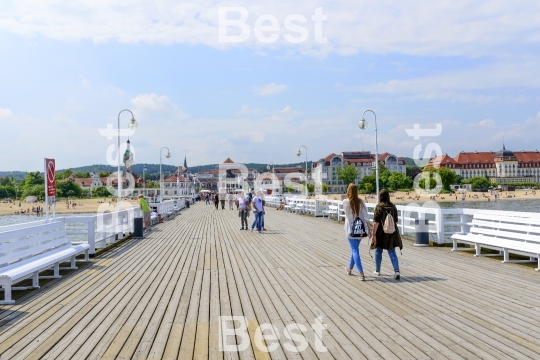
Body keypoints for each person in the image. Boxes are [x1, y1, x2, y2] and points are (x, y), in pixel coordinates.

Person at [371, 189, 403, 280]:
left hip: (381, 233)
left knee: (378, 251)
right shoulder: (393, 206)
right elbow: (396, 222)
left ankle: (377, 270)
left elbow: (376, 222)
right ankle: (396, 271)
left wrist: (373, 235)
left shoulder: (379, 207)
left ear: (380, 197)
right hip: (392, 233)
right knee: (392, 251)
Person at [343, 184, 370, 281]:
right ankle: (349, 268)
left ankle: (361, 273)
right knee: (355, 250)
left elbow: (346, 214)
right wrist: (369, 229)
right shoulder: (361, 202)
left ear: (349, 191)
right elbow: (366, 216)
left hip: (350, 230)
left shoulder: (346, 202)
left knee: (355, 251)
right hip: (360, 230)